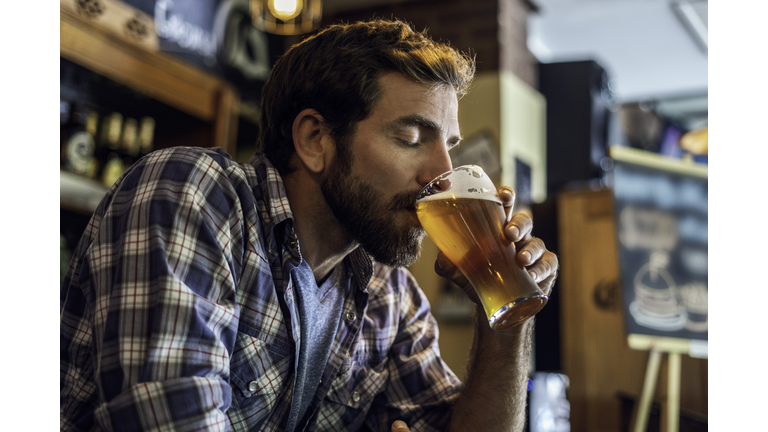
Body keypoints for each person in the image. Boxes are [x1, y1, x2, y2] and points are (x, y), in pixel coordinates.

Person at [60, 19, 558, 432]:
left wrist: (507, 321)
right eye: (410, 137)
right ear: (315, 139)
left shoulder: (389, 297)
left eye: (448, 144)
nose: (441, 175)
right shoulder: (196, 193)